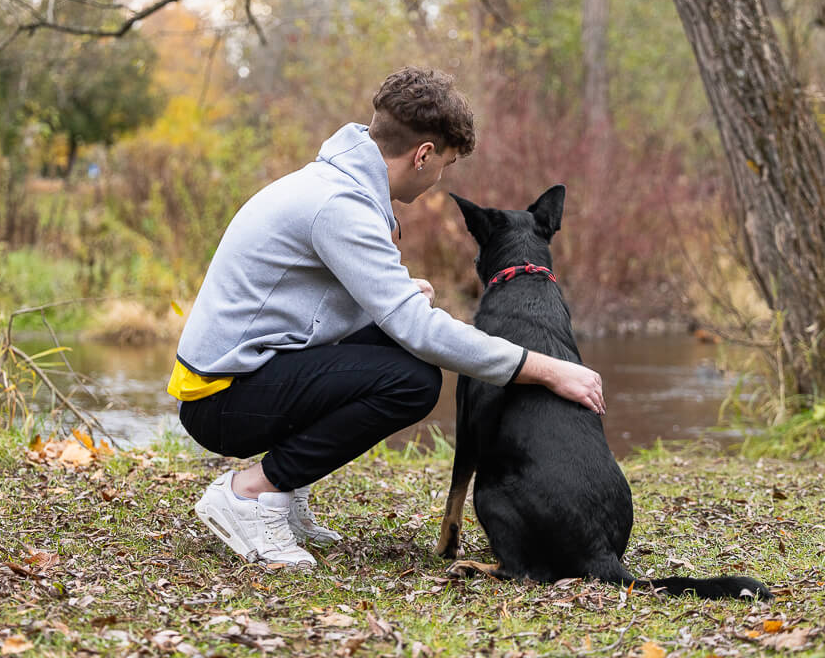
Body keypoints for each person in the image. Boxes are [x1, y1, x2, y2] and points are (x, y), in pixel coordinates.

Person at [167, 66, 607, 567]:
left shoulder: (337, 183)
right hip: (221, 398)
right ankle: (250, 493)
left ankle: (284, 491)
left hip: (240, 375)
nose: (440, 178)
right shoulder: (341, 204)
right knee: (413, 381)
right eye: (445, 164)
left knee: (397, 345)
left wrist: (391, 299)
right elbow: (419, 330)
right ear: (423, 155)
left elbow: (303, 300)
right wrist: (547, 368)